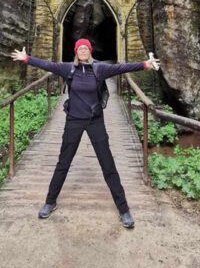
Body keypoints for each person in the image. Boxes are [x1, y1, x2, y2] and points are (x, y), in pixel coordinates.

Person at [10, 39, 161, 228]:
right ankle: (50, 201)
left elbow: (122, 68)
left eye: (85, 48)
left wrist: (146, 64)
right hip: (73, 120)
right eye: (79, 48)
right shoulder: (68, 69)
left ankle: (124, 210)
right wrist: (26, 59)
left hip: (95, 121)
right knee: (63, 162)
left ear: (89, 51)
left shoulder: (99, 69)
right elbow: (47, 65)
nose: (82, 50)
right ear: (76, 52)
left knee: (108, 165)